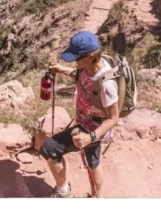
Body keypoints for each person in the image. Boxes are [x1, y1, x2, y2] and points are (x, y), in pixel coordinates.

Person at [39, 31, 121, 198]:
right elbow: (80, 75)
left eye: (77, 58)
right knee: (93, 162)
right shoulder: (90, 66)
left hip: (92, 129)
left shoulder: (107, 85)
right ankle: (97, 197)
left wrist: (91, 137)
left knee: (49, 149)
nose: (75, 61)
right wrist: (61, 69)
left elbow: (114, 118)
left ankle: (63, 192)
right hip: (86, 123)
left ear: (90, 56)